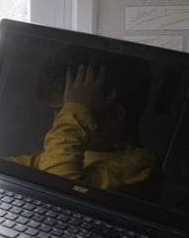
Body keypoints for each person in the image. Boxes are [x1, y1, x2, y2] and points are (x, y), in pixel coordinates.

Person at [8, 47, 159, 194]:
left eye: (67, 112)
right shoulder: (86, 150)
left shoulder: (136, 169)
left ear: (113, 116)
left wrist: (76, 111)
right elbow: (25, 165)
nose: (58, 122)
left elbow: (57, 187)